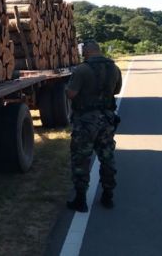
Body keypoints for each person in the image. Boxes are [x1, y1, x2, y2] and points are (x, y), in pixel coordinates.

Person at [65, 40, 122, 212]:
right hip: (106, 119)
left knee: (81, 159)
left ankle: (81, 200)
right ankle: (108, 196)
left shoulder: (82, 70)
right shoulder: (114, 68)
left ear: (87, 52)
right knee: (107, 157)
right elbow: (117, 91)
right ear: (99, 50)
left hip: (85, 122)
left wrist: (68, 90)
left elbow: (72, 94)